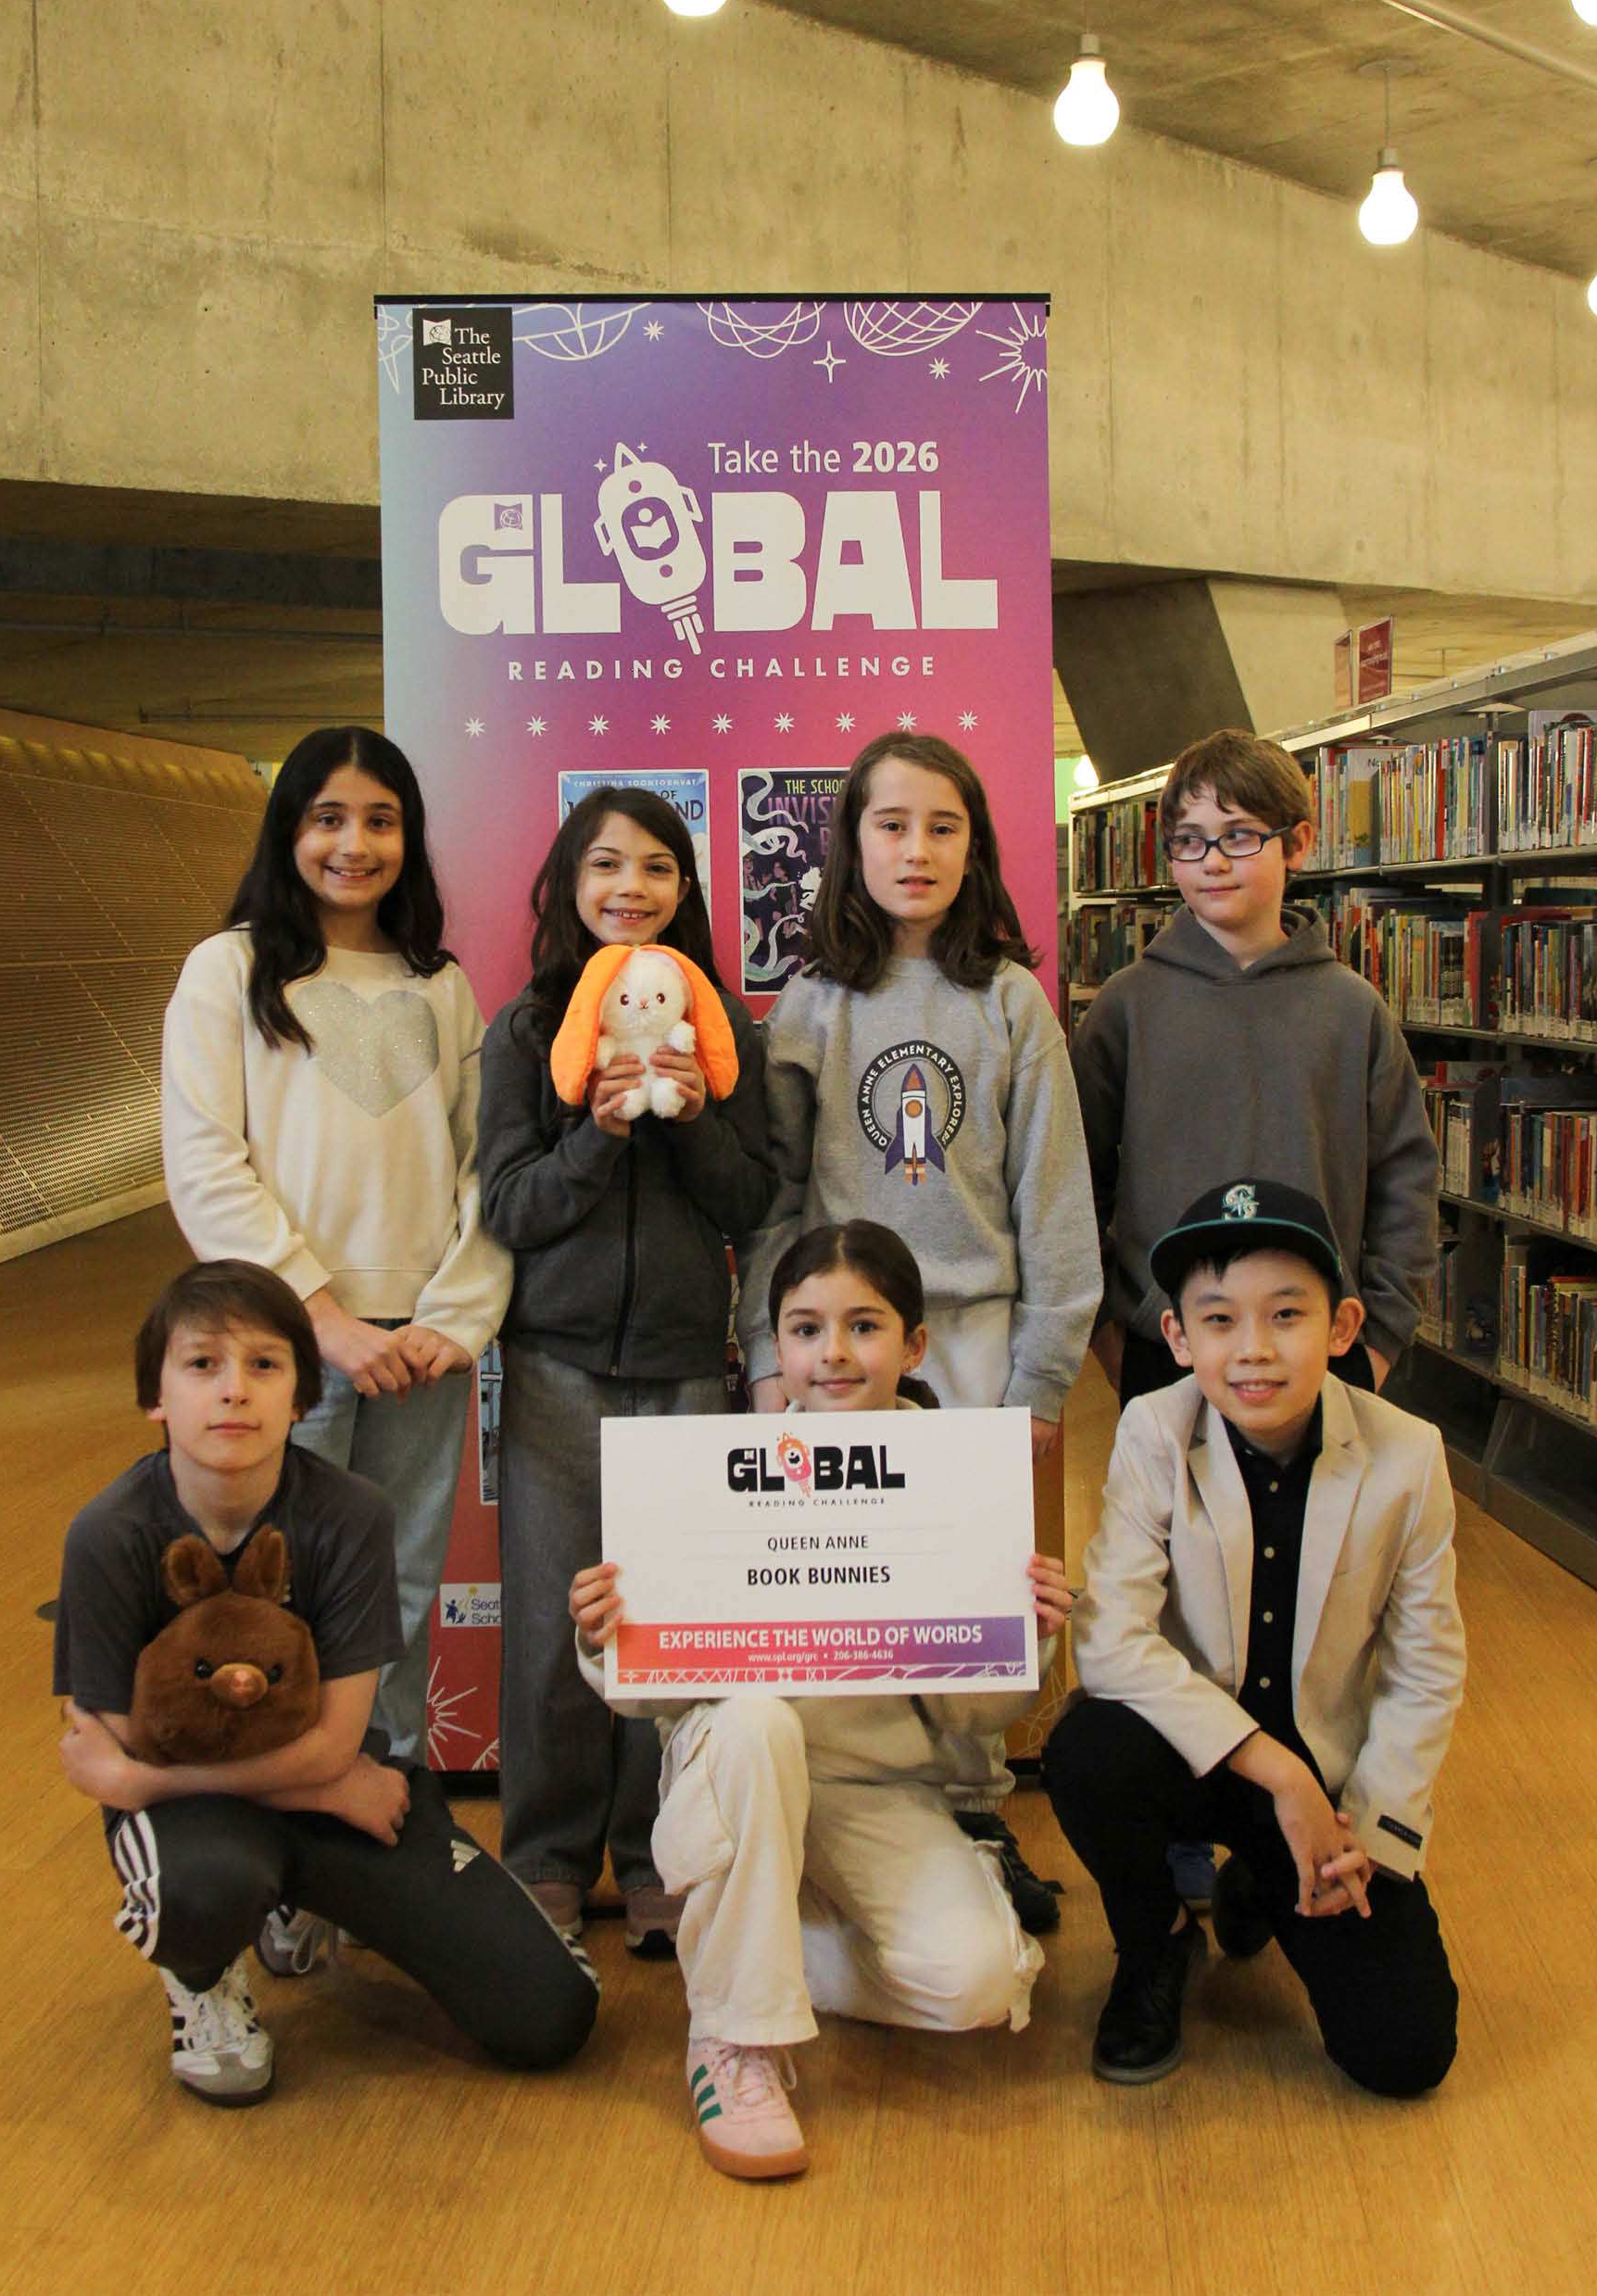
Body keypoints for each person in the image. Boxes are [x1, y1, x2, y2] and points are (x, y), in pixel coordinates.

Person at [569, 1221, 1069, 2179]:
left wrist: (1026, 1629)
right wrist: (605, 1636)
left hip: (876, 1790)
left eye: (863, 1326)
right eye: (805, 1329)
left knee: (978, 1982)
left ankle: (755, 1951)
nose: (832, 1352)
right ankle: (732, 2040)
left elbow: (976, 1718)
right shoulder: (711, 1473)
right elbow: (646, 1704)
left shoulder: (957, 1478)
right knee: (758, 1720)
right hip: (738, 1771)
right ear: (776, 1348)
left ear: (914, 1345)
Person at [50, 1260, 597, 2107]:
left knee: (550, 2013)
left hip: (322, 1787)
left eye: (264, 1364)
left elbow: (332, 1744)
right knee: (203, 1887)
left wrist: (139, 1781)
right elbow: (121, 1733)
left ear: (303, 1397)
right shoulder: (108, 1533)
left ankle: (292, 1893)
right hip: (215, 1816)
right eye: (202, 1364)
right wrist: (313, 1786)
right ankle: (202, 1979)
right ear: (155, 1395)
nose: (234, 1389)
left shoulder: (349, 1513)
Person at [1069, 727, 1442, 1911]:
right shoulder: (1124, 1009)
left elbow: (1405, 1181)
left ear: (1295, 844)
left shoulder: (1350, 1011)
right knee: (1174, 1607)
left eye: (1237, 837)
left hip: (1320, 1365)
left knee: (1308, 1608)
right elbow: (1073, 1185)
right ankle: (1178, 1842)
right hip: (1166, 1363)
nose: (1212, 863)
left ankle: (1294, 1829)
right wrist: (1120, 1338)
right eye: (1188, 842)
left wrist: (1377, 1338)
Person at [160, 725, 511, 1976]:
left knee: (398, 1595)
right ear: (287, 829)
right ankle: (273, 1857)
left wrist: (448, 1320)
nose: (352, 843)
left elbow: (485, 1166)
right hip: (281, 1348)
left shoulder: (440, 985)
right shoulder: (228, 971)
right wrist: (322, 1321)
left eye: (378, 819)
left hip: (418, 1349)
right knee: (277, 1599)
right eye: (325, 817)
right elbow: (207, 1161)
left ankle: (378, 1842)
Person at [737, 730, 1100, 1934]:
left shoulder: (1009, 1001)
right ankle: (850, 1813)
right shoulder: (810, 1002)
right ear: (851, 843)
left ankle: (976, 1809)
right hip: (837, 1349)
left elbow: (1054, 1200)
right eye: (890, 825)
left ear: (974, 847)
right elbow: (777, 1201)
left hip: (973, 1337)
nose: (915, 850)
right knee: (847, 1580)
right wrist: (767, 1358)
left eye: (942, 827)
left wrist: (1039, 1379)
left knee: (966, 1586)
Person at [1042, 1179, 1463, 2097]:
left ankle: (1262, 1883)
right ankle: (1155, 1942)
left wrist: (1367, 1835)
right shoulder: (1155, 1429)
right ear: (1178, 1338)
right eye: (1220, 1320)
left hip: (1329, 1788)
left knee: (1404, 2051)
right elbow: (1110, 1638)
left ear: (1341, 1327)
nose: (1254, 1350)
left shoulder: (1407, 1457)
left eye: (1286, 1315)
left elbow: (1426, 1669)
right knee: (1085, 1750)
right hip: (1196, 1756)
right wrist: (1278, 1774)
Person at [476, 786, 773, 1956]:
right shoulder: (523, 1031)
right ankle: (545, 1857)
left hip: (687, 1365)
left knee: (670, 1622)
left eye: (656, 866)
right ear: (567, 882)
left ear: (684, 891)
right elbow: (510, 1207)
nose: (630, 887)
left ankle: (660, 1852)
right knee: (553, 1626)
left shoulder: (720, 1023)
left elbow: (750, 1198)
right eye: (605, 864)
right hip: (554, 1362)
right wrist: (595, 1136)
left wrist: (689, 1118)